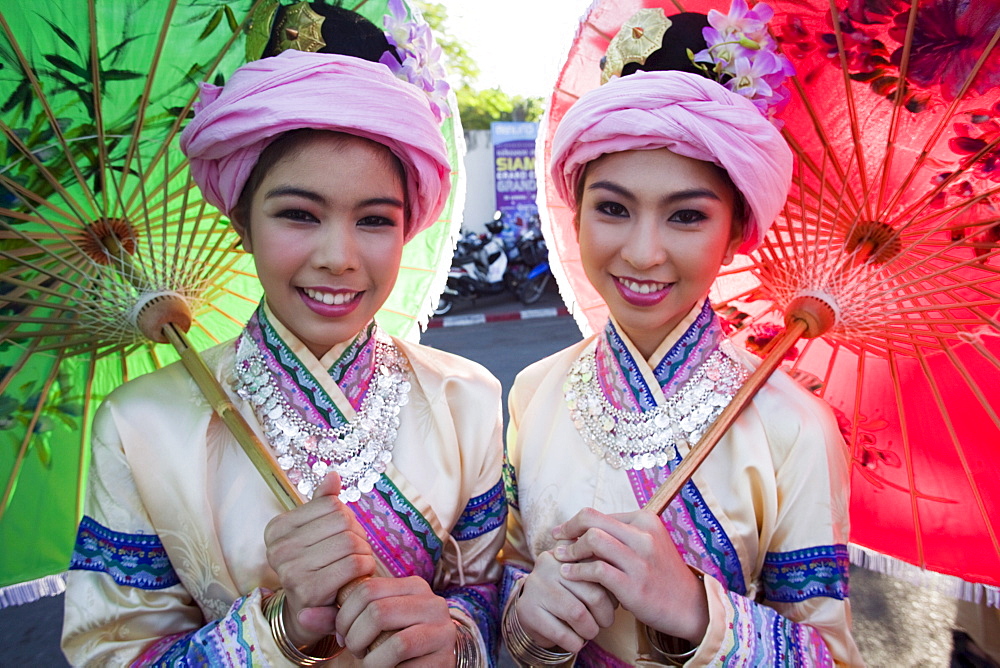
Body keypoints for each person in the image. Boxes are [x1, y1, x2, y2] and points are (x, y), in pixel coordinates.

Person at [61, 4, 504, 666]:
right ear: (242, 222)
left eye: (375, 220)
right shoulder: (139, 427)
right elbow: (111, 652)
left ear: (408, 227)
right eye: (299, 213)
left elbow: (493, 596)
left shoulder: (467, 397)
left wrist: (452, 635)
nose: (339, 257)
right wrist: (280, 627)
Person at [499, 6, 864, 667]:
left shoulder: (795, 430)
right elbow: (509, 594)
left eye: (687, 216)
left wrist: (698, 613)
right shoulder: (534, 392)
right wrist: (530, 611)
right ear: (574, 211)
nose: (642, 253)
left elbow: (831, 656)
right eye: (612, 208)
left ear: (735, 234)